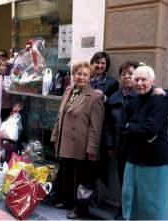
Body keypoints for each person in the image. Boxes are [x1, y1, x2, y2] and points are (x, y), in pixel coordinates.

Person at [51, 61, 105, 219]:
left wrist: (92, 149)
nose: (81, 77)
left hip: (81, 145)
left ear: (90, 78)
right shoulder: (68, 91)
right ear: (73, 75)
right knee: (67, 176)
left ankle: (80, 208)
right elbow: (59, 117)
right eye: (78, 74)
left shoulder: (94, 97)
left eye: (85, 75)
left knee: (81, 180)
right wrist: (55, 136)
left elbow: (96, 127)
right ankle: (67, 201)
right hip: (65, 142)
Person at [121, 65, 168, 220]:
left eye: (144, 79)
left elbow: (151, 129)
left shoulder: (160, 99)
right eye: (136, 79)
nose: (139, 83)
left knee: (153, 204)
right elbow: (122, 126)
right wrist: (137, 128)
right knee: (130, 197)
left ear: (152, 81)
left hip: (155, 160)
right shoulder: (132, 100)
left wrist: (131, 126)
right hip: (133, 158)